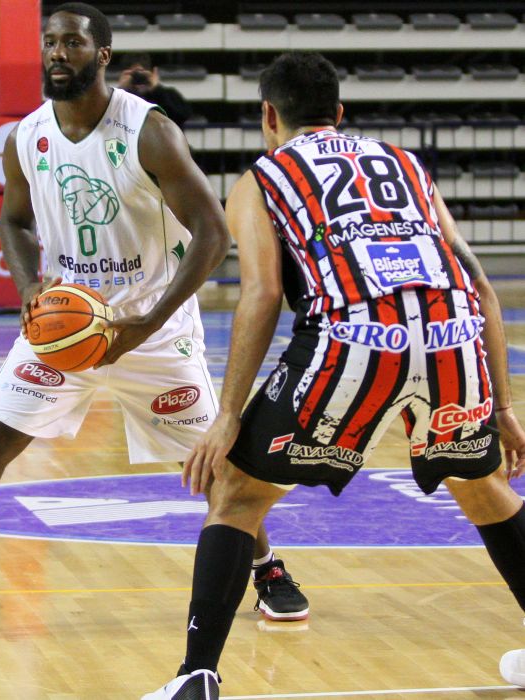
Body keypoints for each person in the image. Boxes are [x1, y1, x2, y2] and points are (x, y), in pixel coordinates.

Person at [0, 2, 308, 635]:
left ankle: (269, 570)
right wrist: (27, 286)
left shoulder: (149, 131)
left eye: (71, 43)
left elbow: (211, 234)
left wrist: (147, 324)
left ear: (102, 55)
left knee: (216, 465)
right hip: (65, 321)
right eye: (50, 42)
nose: (57, 53)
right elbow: (14, 221)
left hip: (154, 329)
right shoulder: (26, 137)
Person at [143, 51, 525, 700]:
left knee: (237, 494)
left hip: (353, 343)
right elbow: (480, 285)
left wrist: (228, 415)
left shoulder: (263, 177)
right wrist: (505, 408)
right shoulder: (406, 166)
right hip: (452, 339)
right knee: (485, 488)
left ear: (269, 115)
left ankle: (196, 677)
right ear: (339, 113)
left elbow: (263, 294)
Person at [117, 52, 192, 127]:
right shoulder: (119, 98)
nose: (139, 78)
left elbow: (182, 116)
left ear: (153, 73)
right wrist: (122, 91)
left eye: (143, 74)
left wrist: (157, 90)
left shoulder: (169, 95)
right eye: (134, 75)